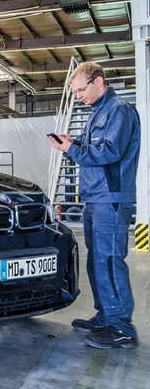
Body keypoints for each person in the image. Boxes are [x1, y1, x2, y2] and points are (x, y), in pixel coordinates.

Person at [48, 61, 140, 349]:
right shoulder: (97, 114)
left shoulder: (119, 111)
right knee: (96, 262)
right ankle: (106, 316)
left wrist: (71, 149)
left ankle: (121, 328)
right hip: (94, 198)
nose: (78, 96)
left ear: (98, 80)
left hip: (110, 199)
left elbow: (110, 152)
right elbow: (93, 150)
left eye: (80, 90)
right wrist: (74, 142)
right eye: (74, 92)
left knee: (110, 261)